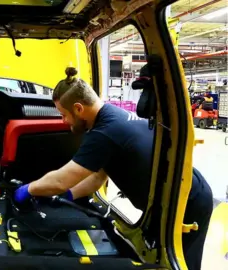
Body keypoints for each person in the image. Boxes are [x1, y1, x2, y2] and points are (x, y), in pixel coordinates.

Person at [14, 67, 213, 270]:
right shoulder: (112, 117)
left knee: (179, 263)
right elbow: (97, 178)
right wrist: (68, 196)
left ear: (78, 108)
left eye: (64, 115)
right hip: (173, 197)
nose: (63, 121)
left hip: (187, 202)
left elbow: (60, 180)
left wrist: (27, 190)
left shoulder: (104, 132)